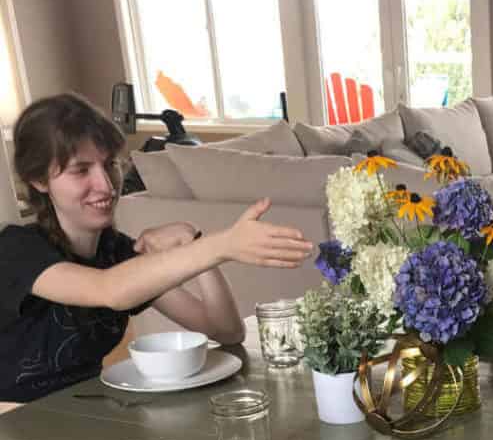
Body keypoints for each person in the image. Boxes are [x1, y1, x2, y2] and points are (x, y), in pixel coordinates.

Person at [0, 93, 313, 403]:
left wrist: (198, 244)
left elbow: (226, 331)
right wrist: (224, 244)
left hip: (78, 414)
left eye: (109, 164)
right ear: (39, 180)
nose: (107, 185)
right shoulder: (17, 250)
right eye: (81, 170)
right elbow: (109, 290)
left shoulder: (116, 253)